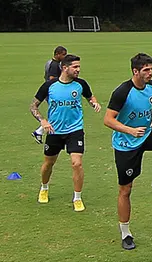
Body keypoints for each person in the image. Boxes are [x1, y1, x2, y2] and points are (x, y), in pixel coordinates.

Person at [104, 53, 152, 250]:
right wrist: (129, 130)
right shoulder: (122, 92)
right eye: (146, 70)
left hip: (147, 134)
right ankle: (125, 233)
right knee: (125, 190)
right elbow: (108, 119)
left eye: (151, 69)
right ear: (135, 71)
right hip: (126, 144)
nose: (150, 73)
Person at [30, 54, 101, 212]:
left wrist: (94, 103)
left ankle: (77, 198)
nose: (78, 69)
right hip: (54, 131)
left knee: (77, 163)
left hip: (75, 130)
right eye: (75, 67)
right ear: (64, 68)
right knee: (49, 163)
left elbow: (90, 97)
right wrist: (43, 121)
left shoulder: (81, 84)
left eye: (79, 66)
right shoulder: (49, 86)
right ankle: (44, 188)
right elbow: (33, 106)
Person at [32, 46, 68, 144]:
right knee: (57, 112)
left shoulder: (49, 62)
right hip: (52, 93)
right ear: (57, 54)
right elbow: (52, 79)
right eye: (63, 54)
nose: (65, 57)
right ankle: (39, 131)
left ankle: (39, 131)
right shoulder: (54, 65)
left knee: (57, 112)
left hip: (49, 91)